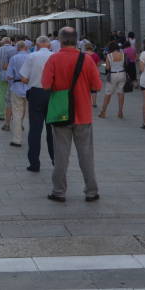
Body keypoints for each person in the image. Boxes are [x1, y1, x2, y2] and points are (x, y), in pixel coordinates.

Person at [42, 27, 102, 202]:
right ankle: (91, 191)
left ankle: (59, 191)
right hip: (83, 114)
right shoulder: (87, 60)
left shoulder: (54, 59)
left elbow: (46, 85)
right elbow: (97, 86)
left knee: (61, 155)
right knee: (86, 155)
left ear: (60, 41)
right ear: (76, 41)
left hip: (61, 113)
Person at [20, 36, 54, 172]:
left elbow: (23, 78)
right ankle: (56, 160)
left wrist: (32, 80)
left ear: (37, 45)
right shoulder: (54, 56)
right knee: (52, 130)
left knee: (35, 129)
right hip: (52, 94)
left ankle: (34, 163)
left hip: (35, 93)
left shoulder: (31, 56)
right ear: (49, 45)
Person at [4, 41, 30, 147]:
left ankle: (17, 139)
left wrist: (13, 83)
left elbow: (9, 75)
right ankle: (32, 137)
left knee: (17, 113)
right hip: (30, 87)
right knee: (30, 114)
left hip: (17, 87)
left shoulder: (14, 58)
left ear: (17, 48)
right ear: (26, 47)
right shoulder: (31, 57)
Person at [98, 42, 127, 119]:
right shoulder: (123, 54)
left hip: (113, 74)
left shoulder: (109, 56)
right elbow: (125, 64)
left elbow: (107, 68)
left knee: (108, 93)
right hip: (122, 73)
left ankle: (103, 112)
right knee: (121, 92)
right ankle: (120, 111)